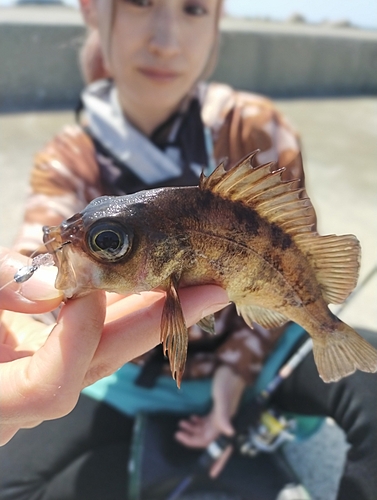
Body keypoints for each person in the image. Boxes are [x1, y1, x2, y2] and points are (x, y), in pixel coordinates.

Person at [0, 1, 376, 499]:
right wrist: (23, 293)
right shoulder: (67, 155)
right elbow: (36, 241)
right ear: (94, 12)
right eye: (139, 2)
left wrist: (235, 373)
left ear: (217, 23)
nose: (166, 39)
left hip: (256, 350)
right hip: (123, 371)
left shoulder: (254, 128)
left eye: (194, 8)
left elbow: (286, 257)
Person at [0, 247, 228, 447]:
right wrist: (27, 272)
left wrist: (235, 377)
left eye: (109, 241)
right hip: (105, 378)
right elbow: (58, 200)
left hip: (195, 388)